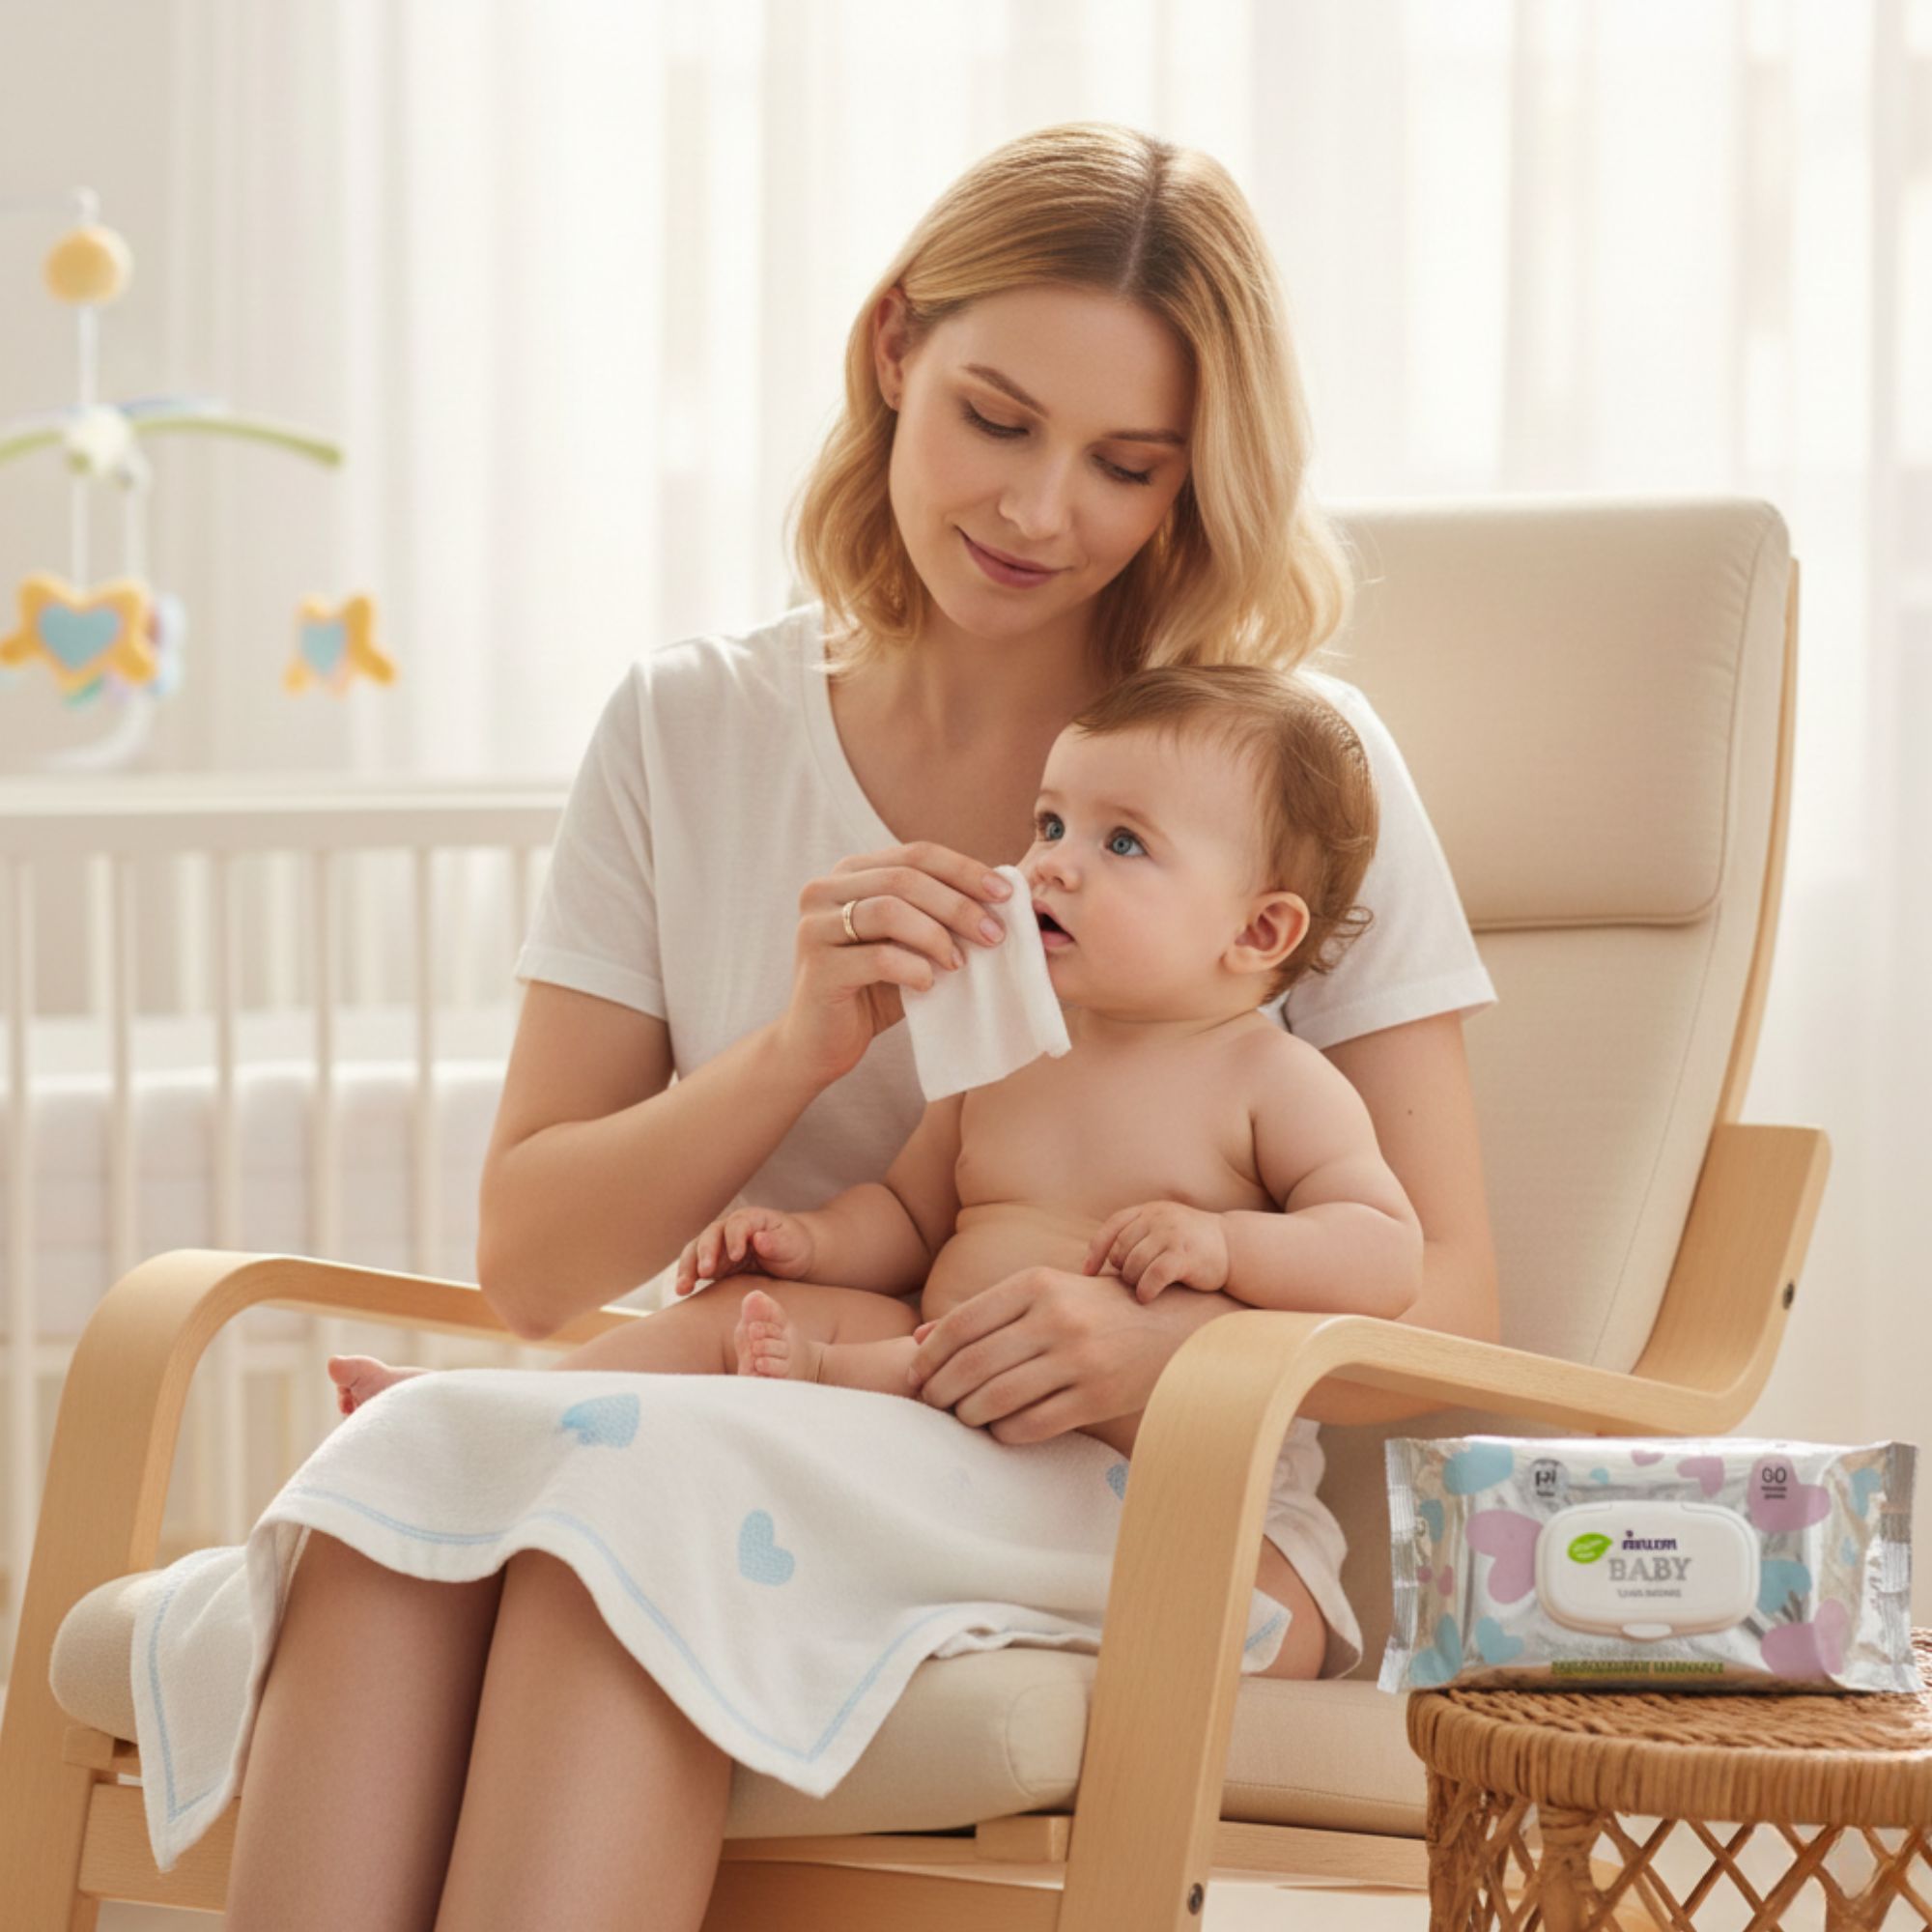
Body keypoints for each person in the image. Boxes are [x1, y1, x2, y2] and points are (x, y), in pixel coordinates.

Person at [221, 121, 1499, 1932]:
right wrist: (795, 1052)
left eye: (1127, 466)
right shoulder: (685, 729)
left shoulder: (1279, 779)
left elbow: (1451, 1291)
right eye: (996, 418)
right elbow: (530, 1266)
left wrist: (1164, 1341)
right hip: (770, 1411)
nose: (1043, 511)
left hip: (1124, 1485)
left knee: (610, 1514)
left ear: (1191, 481)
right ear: (894, 349)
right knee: (399, 1497)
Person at [324, 667, 1421, 1676]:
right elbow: (909, 1210)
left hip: (1141, 1458)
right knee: (754, 1306)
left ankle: (784, 1389)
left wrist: (1229, 1246)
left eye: (1121, 842)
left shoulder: (1269, 1078)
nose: (1051, 860)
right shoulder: (1008, 1054)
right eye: (1049, 822)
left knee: (884, 1358)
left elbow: (1383, 1250)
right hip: (939, 1404)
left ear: (1258, 927)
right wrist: (811, 1239)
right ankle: (491, 1421)